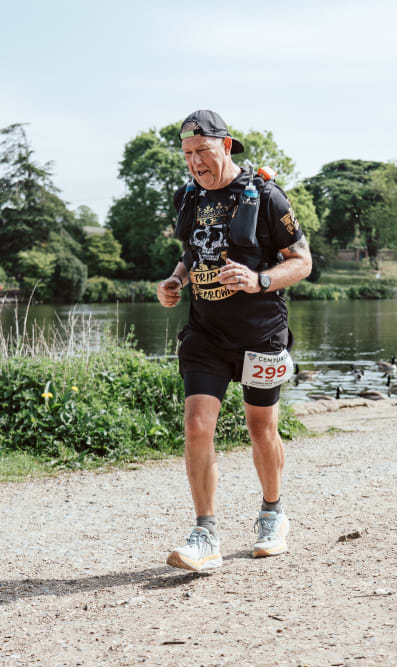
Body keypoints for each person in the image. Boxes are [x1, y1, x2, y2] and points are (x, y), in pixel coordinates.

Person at [157, 110, 312, 572]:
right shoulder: (189, 197)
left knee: (261, 428)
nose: (195, 162)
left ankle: (273, 514)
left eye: (203, 151)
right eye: (188, 154)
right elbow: (192, 253)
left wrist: (259, 280)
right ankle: (205, 534)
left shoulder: (266, 196)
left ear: (226, 146)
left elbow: (302, 262)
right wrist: (176, 280)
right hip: (205, 332)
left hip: (259, 333)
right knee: (196, 425)